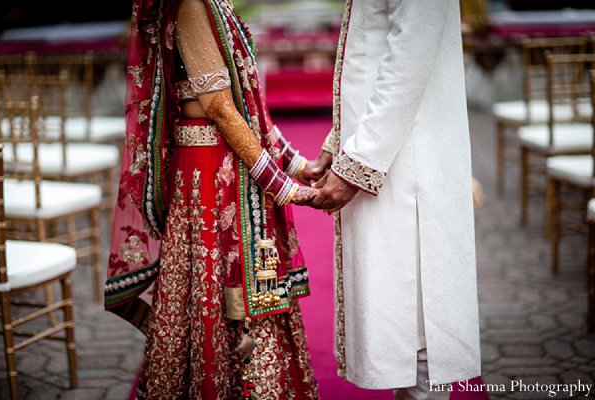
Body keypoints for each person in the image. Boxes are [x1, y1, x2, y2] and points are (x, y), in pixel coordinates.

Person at [105, 0, 319, 398]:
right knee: (215, 296)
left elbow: (250, 108)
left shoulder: (217, 3)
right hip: (207, 177)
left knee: (250, 286)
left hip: (232, 166)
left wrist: (296, 164)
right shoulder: (190, 4)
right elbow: (220, 108)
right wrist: (281, 184)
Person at [300, 0, 481, 399]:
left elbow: (409, 55)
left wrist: (358, 162)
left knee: (418, 322)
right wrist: (339, 144)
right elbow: (373, 51)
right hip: (390, 153)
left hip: (404, 160)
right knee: (402, 323)